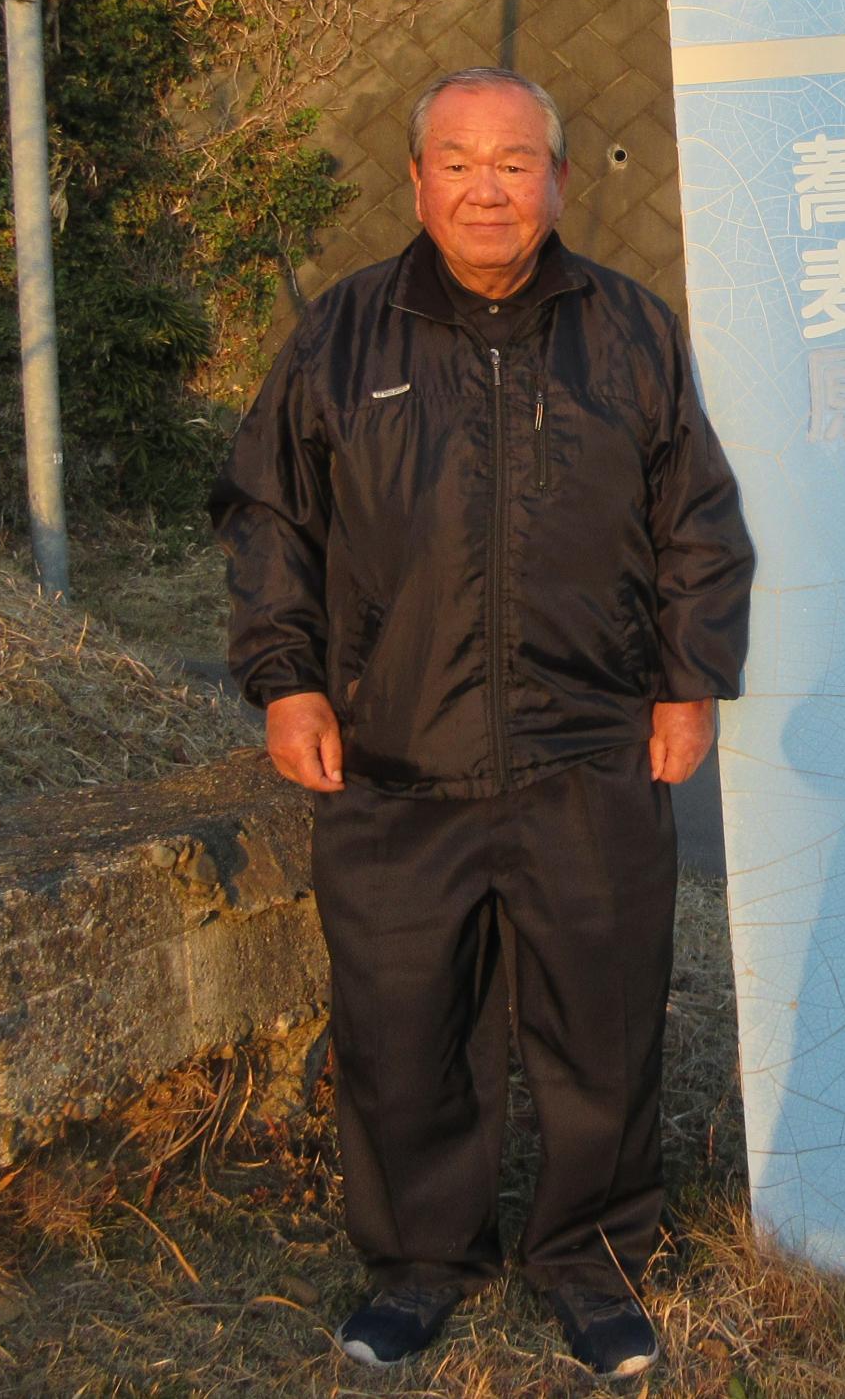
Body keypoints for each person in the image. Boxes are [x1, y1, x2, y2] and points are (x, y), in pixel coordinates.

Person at [211, 66, 755, 1379]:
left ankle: (595, 1260)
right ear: (415, 183)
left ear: (559, 179)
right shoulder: (343, 336)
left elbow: (698, 523)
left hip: (590, 753)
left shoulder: (628, 332)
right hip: (394, 759)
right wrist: (285, 680)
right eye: (457, 161)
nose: (486, 187)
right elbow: (268, 516)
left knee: (603, 1027)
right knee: (402, 1033)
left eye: (515, 161)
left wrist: (688, 680)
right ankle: (416, 1264)